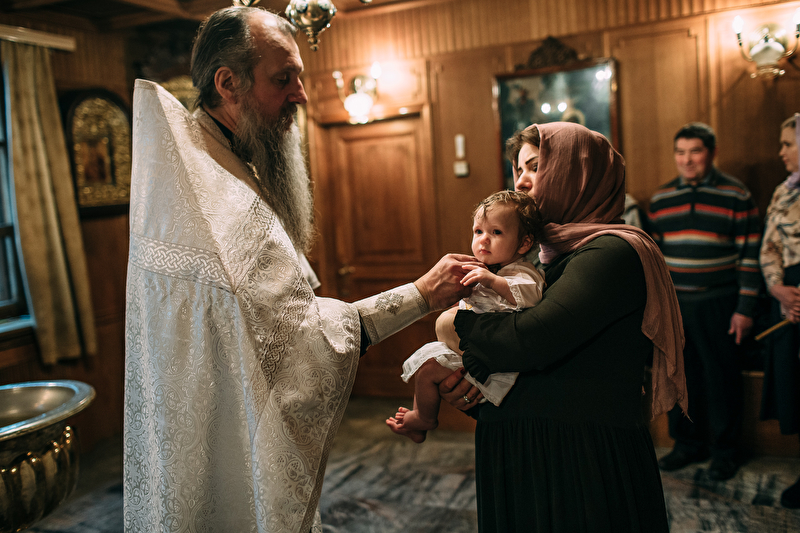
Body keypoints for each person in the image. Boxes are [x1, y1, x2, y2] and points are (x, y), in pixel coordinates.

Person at [123, 7, 477, 533]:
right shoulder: (220, 201)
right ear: (228, 84)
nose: (302, 96)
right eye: (282, 79)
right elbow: (307, 344)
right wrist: (422, 293)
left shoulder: (209, 166)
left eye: (300, 78)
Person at [438, 122, 687, 532]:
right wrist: (470, 380)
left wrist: (451, 322)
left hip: (578, 457)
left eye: (536, 167)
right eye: (519, 170)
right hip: (536, 444)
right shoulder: (547, 255)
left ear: (578, 173)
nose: (522, 181)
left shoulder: (610, 251)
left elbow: (530, 339)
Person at [648, 122, 762, 481]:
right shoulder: (662, 199)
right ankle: (687, 445)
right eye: (680, 152)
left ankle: (725, 452)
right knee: (681, 377)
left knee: (722, 379)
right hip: (676, 304)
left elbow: (750, 257)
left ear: (711, 153)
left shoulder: (736, 195)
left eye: (695, 151)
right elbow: (654, 260)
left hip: (720, 303)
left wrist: (745, 309)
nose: (687, 160)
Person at [386, 190, 545, 443]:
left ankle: (424, 419)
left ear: (524, 243)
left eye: (496, 232)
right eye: (478, 231)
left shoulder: (522, 272)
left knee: (428, 370)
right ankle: (421, 417)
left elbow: (531, 296)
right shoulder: (489, 269)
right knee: (427, 367)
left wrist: (491, 281)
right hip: (474, 352)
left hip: (496, 365)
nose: (483, 240)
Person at [759, 113, 800, 508]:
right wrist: (777, 287)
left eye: (788, 143)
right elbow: (770, 246)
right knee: (795, 385)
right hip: (789, 296)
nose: (781, 151)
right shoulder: (782, 192)